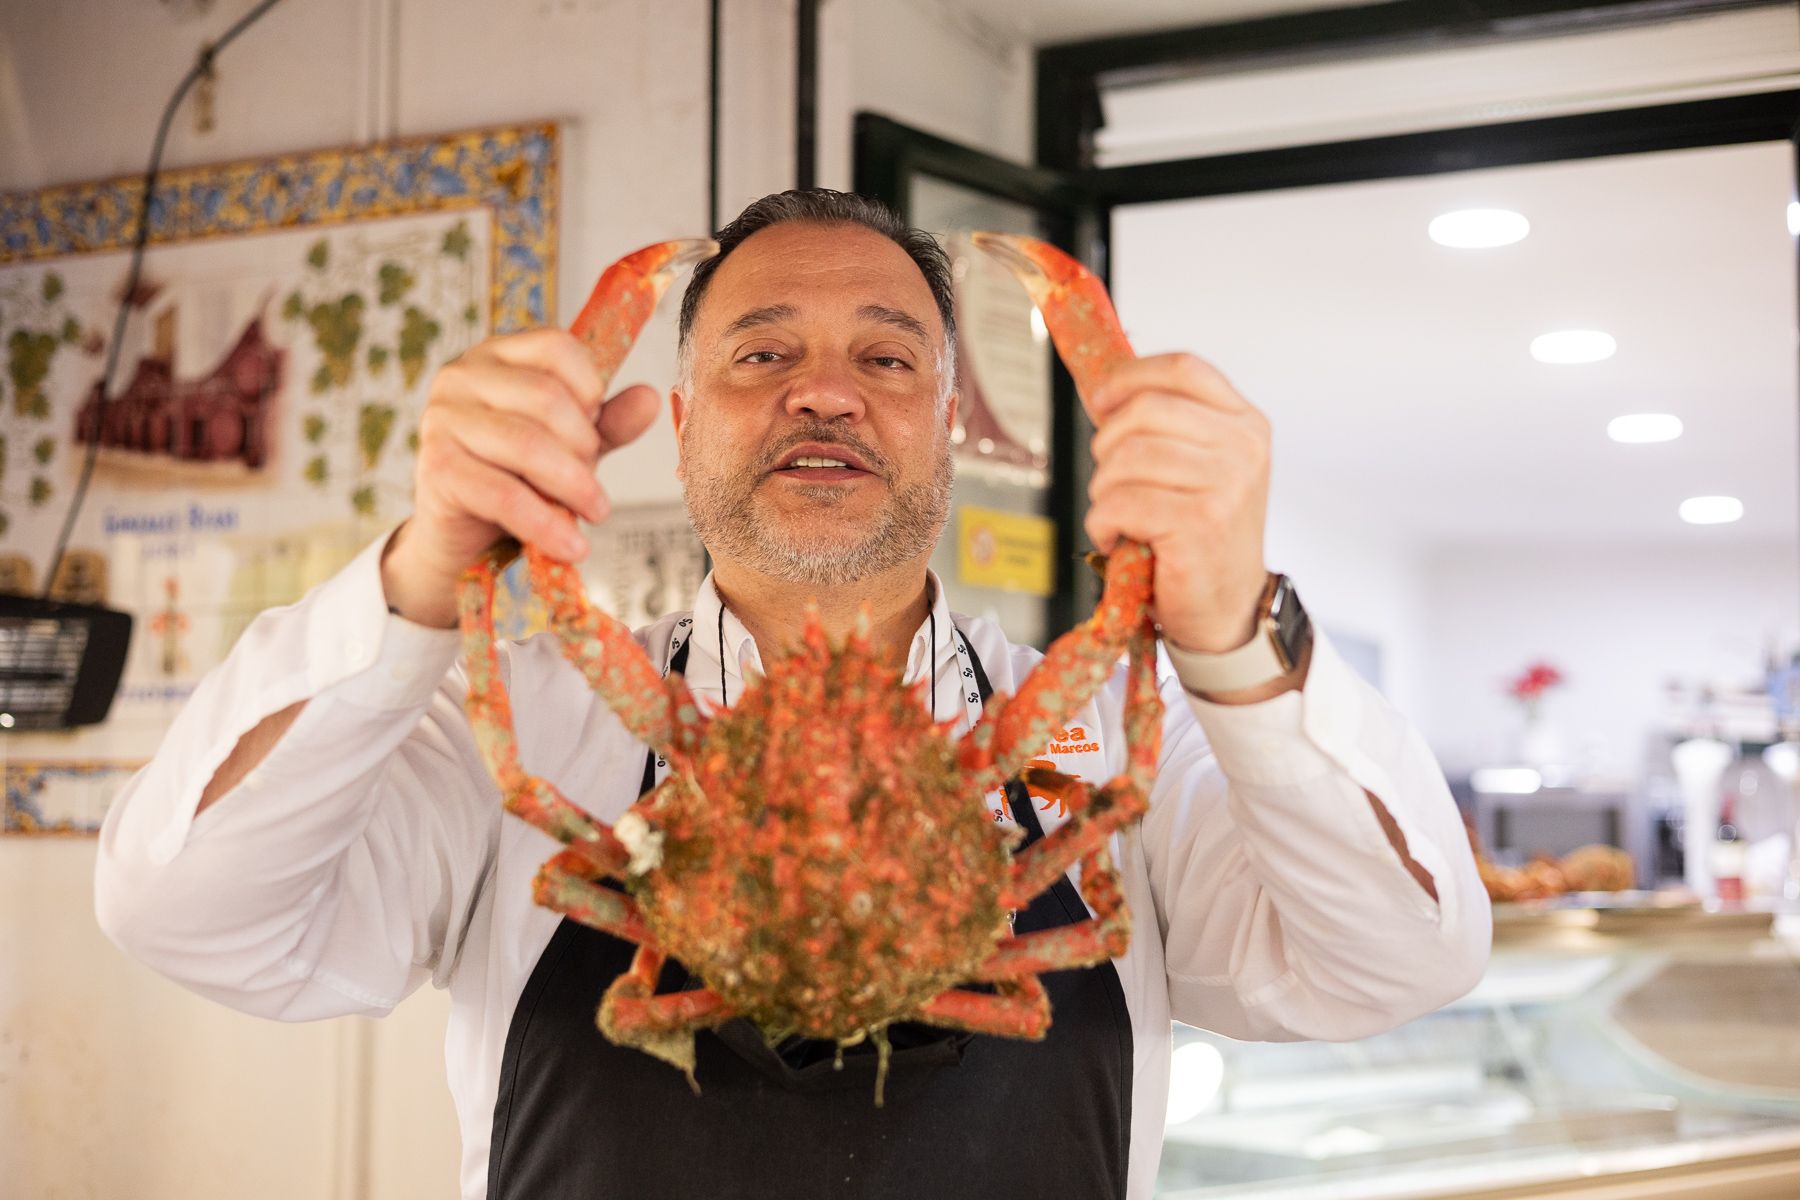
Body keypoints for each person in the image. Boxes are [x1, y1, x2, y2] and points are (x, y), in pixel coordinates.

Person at [96, 189, 1489, 1200]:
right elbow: (188, 913)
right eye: (763, 353)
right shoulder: (526, 724)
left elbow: (1395, 964)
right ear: (680, 422)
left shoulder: (1107, 748)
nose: (826, 394)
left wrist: (1234, 639)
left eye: (888, 358)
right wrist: (423, 571)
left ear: (952, 426)